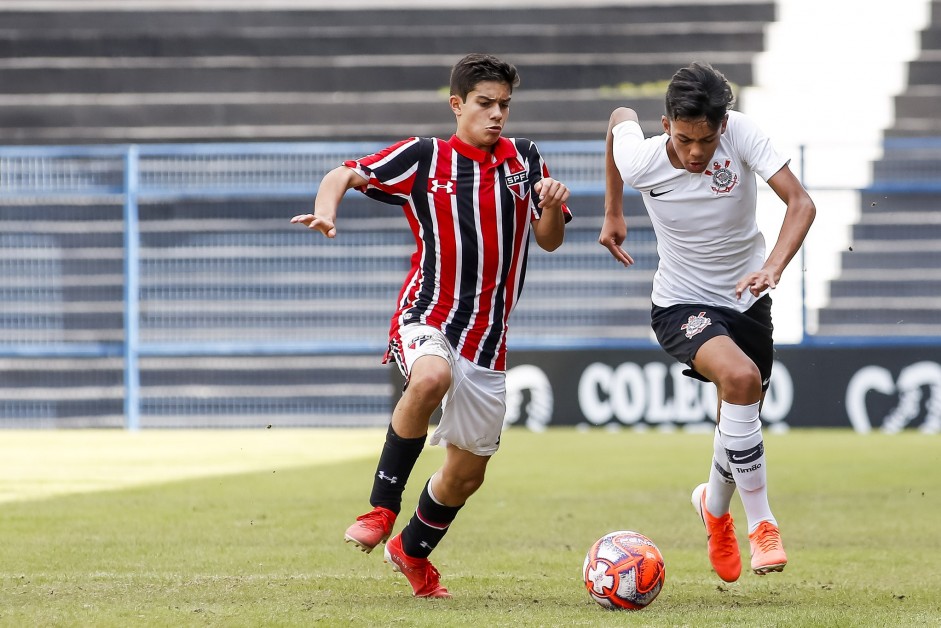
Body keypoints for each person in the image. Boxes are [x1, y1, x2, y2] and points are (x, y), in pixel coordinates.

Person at [292, 53, 571, 598]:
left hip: (488, 340)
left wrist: (554, 205)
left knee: (465, 476)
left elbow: (549, 239)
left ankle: (411, 550)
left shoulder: (526, 159)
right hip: (427, 314)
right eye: (485, 104)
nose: (497, 116)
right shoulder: (425, 156)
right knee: (428, 379)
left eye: (504, 106)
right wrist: (327, 210)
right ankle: (380, 508)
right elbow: (345, 173)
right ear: (457, 104)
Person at [599, 62, 815, 583]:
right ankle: (762, 524)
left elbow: (801, 203)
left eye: (706, 140)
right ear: (666, 121)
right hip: (680, 303)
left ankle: (713, 508)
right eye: (684, 138)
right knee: (740, 380)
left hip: (748, 300)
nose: (696, 152)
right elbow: (618, 117)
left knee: (736, 412)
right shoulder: (642, 157)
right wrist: (613, 212)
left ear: (724, 124)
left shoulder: (741, 134)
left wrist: (772, 267)